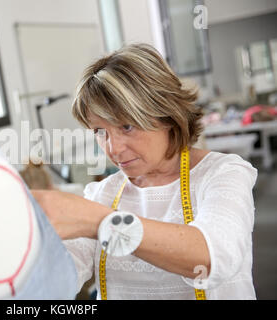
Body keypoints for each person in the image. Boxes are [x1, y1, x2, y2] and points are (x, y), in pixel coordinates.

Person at [32, 43, 257, 300]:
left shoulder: (223, 174)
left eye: (127, 126)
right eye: (99, 131)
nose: (113, 148)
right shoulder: (101, 194)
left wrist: (100, 221)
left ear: (166, 115)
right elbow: (59, 278)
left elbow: (212, 259)